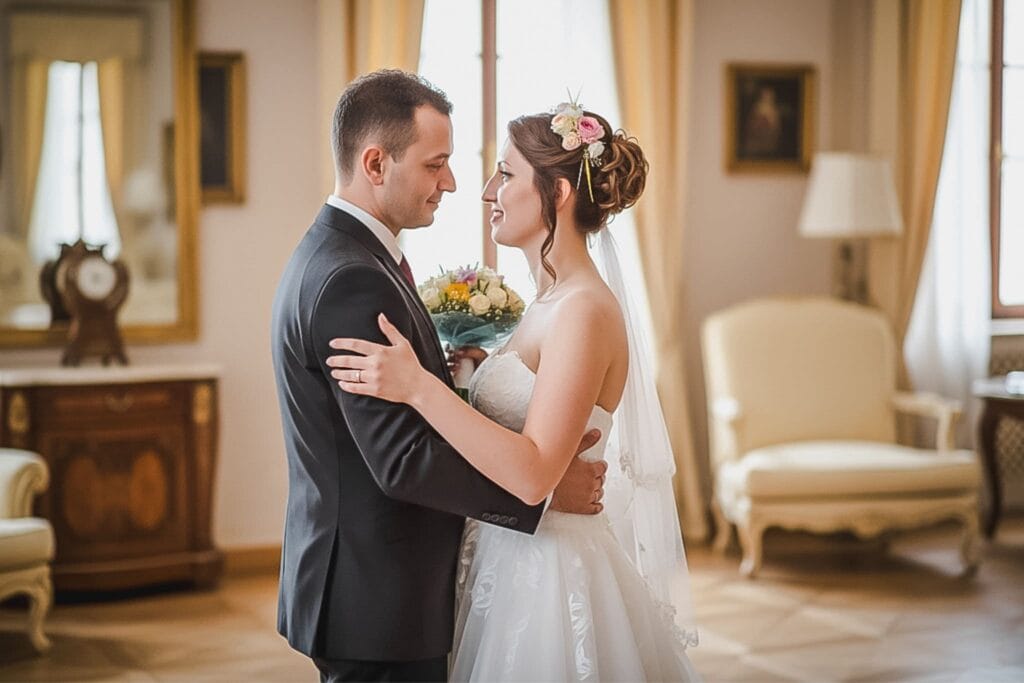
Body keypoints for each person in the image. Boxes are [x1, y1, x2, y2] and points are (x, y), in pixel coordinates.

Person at [327, 103, 700, 681]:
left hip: (551, 578)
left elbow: (532, 475)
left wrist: (420, 387)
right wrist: (468, 377)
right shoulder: (549, 302)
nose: (485, 192)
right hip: (508, 556)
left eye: (504, 174)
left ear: (558, 193)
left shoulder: (583, 311)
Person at [270, 70, 608, 683]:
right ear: (376, 163)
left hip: (380, 590)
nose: (453, 184)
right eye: (436, 164)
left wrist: (448, 384)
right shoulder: (352, 277)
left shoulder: (347, 256)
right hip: (376, 599)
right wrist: (544, 493)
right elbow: (401, 459)